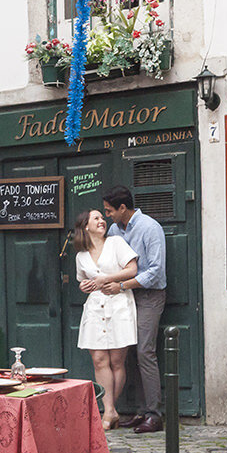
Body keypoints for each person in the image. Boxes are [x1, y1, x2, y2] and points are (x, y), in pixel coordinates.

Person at [103, 186, 168, 434]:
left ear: (122, 208)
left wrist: (121, 285)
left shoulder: (150, 228)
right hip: (124, 296)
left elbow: (155, 272)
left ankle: (154, 415)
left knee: (145, 352)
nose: (107, 215)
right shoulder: (113, 230)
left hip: (149, 296)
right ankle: (140, 411)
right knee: (128, 352)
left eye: (110, 211)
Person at [73, 209, 138, 429]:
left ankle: (109, 412)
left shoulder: (116, 243)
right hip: (94, 309)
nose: (102, 221)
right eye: (96, 219)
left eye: (102, 217)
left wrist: (107, 278)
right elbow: (83, 281)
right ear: (85, 227)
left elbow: (132, 269)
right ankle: (110, 411)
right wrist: (84, 287)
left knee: (117, 361)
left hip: (118, 305)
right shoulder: (80, 256)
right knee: (99, 360)